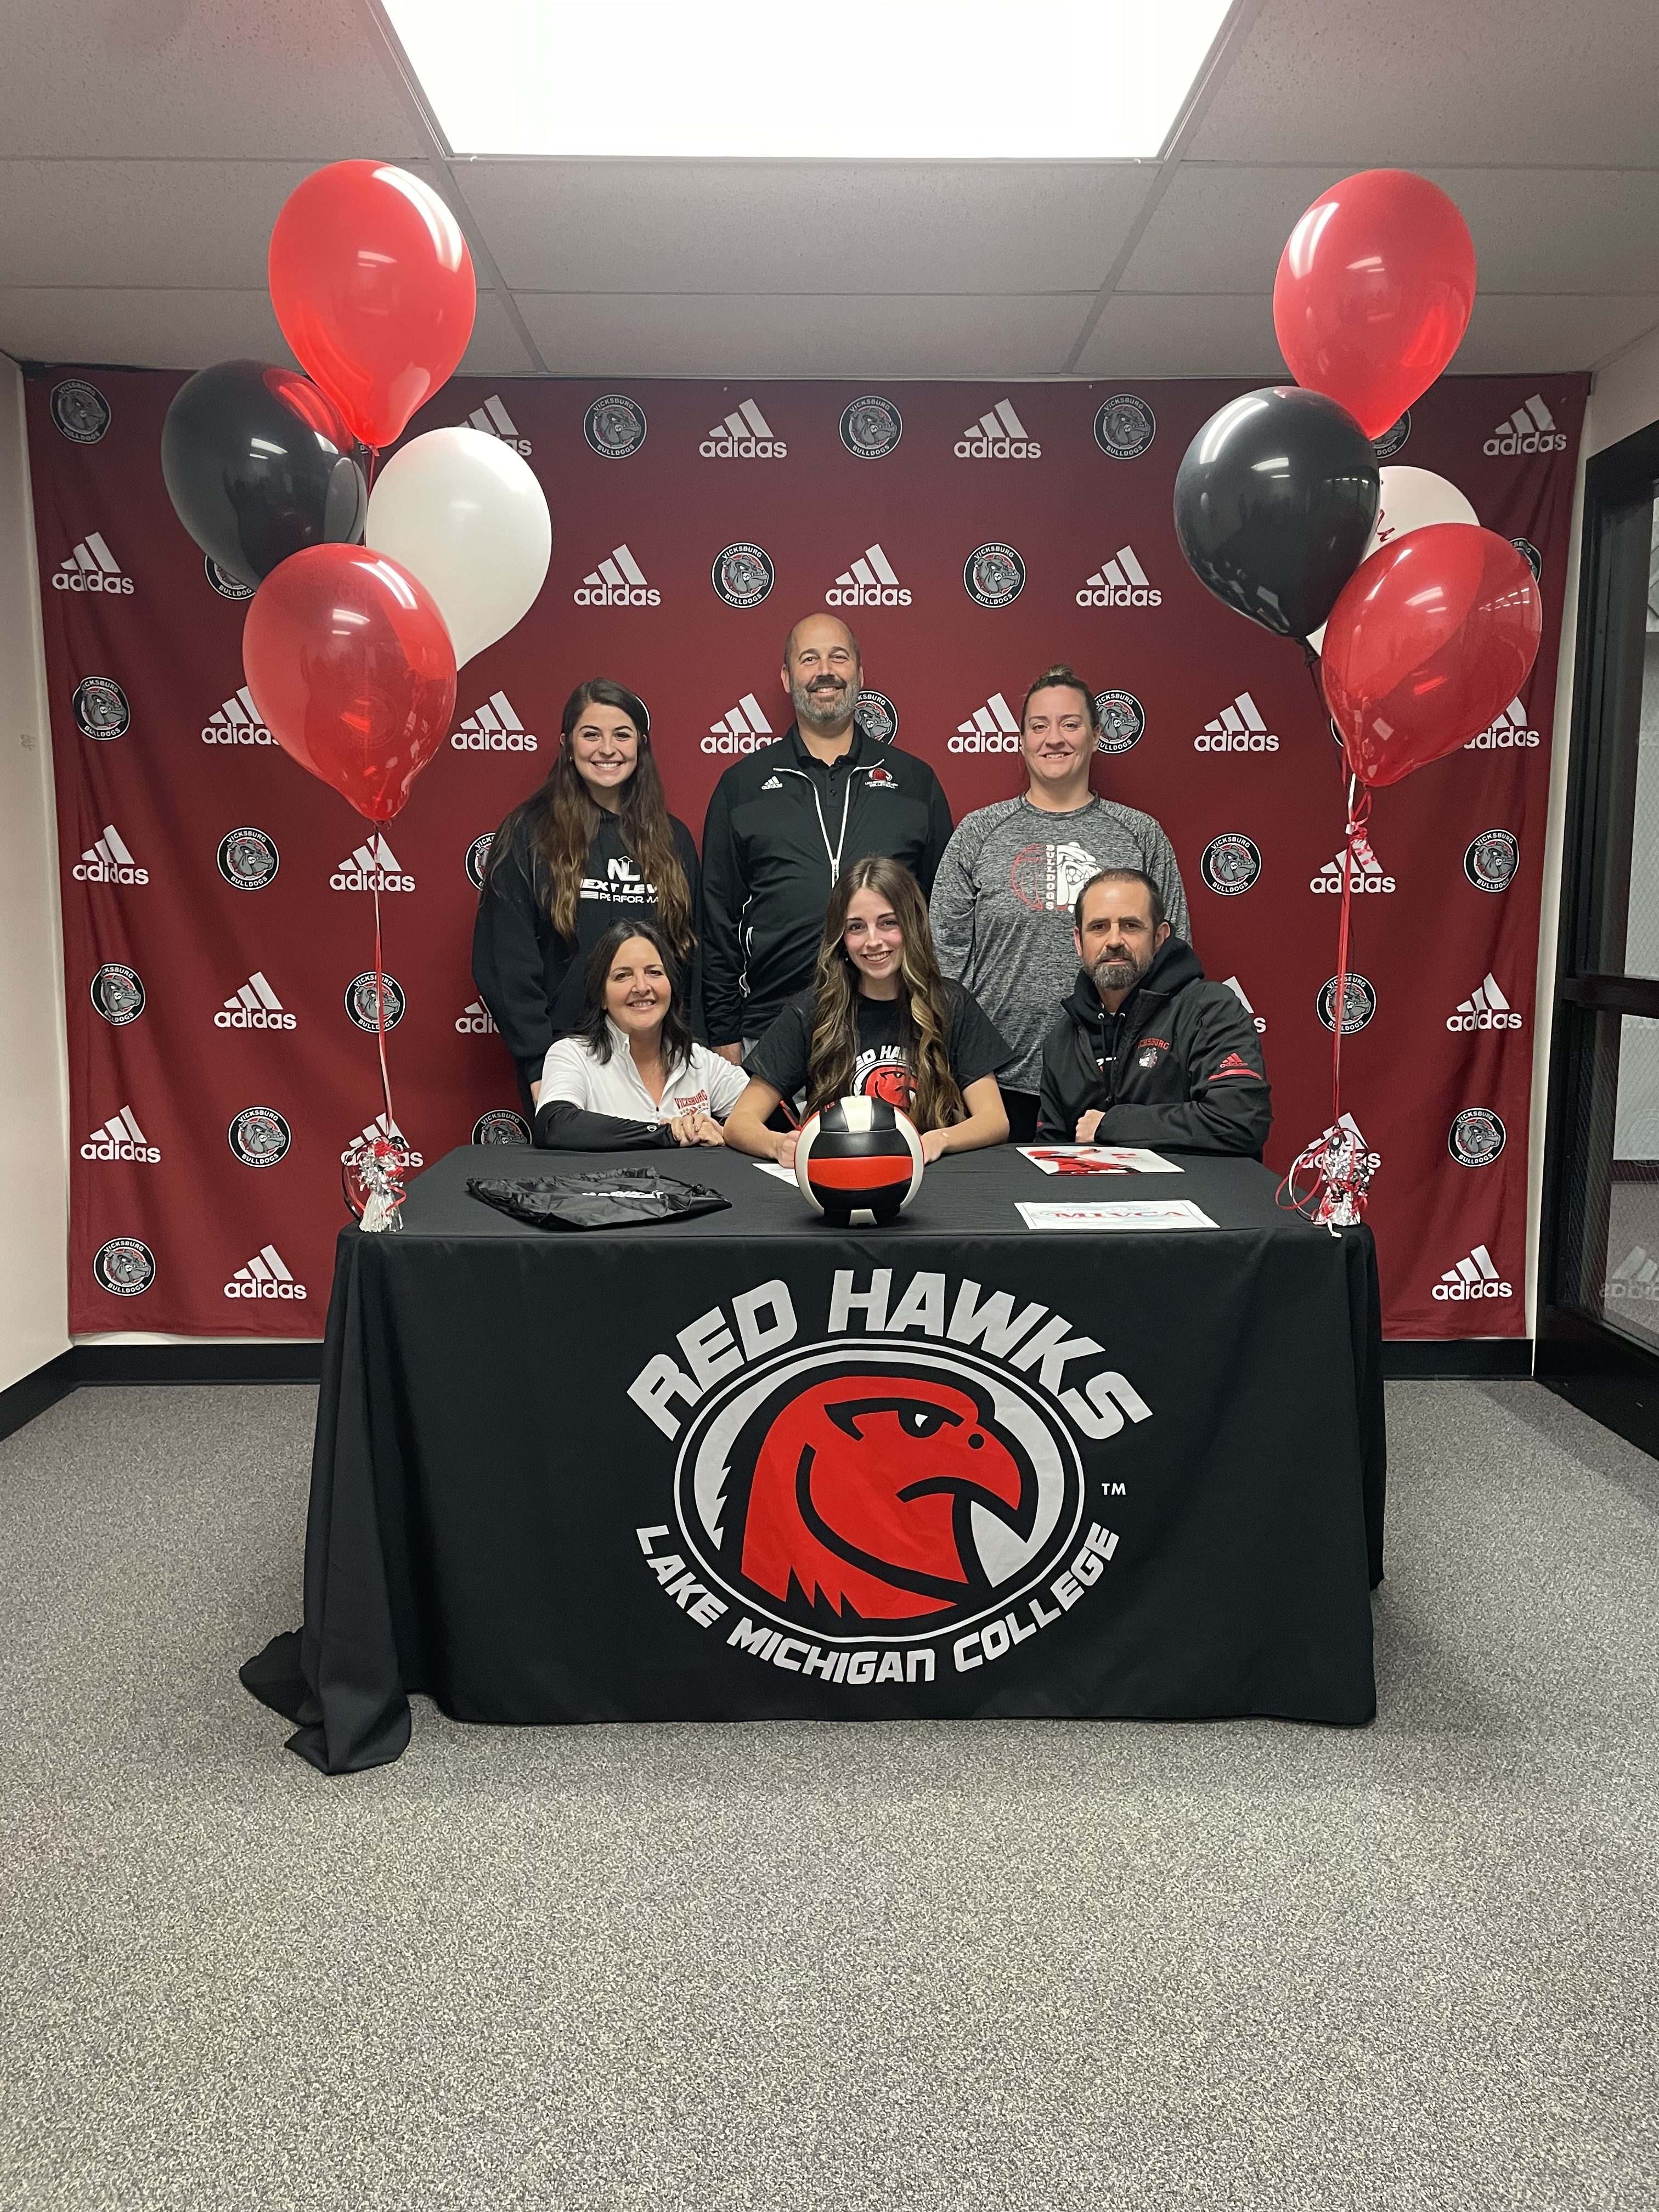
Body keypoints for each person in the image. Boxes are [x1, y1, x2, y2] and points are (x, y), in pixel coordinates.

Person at [930, 664, 1189, 1143]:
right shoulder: (978, 833)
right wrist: (960, 1063)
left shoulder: (1141, 835)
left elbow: (1172, 959)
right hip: (993, 1087)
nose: (1054, 739)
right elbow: (944, 960)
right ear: (1021, 741)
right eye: (1039, 726)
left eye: (1070, 724)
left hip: (1115, 1086)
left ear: (1096, 737)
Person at [701, 614, 954, 1063]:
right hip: (771, 1029)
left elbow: (943, 918)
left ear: (860, 673)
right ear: (786, 677)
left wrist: (936, 1018)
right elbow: (718, 921)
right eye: (809, 659)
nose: (825, 671)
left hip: (895, 1031)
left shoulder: (915, 783)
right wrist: (724, 1032)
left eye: (838, 657)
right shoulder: (742, 786)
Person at [473, 680, 700, 1115]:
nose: (607, 749)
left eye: (622, 735)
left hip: (659, 1064)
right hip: (566, 1062)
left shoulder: (673, 840)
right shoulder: (529, 834)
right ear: (567, 744)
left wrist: (692, 1058)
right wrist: (539, 1064)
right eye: (591, 734)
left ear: (642, 744)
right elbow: (504, 961)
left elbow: (692, 958)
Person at [725, 856, 1010, 1168]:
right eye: (856, 927)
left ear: (912, 925)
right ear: (841, 938)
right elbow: (739, 1123)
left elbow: (995, 1120)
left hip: (929, 1177)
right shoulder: (812, 1009)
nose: (873, 941)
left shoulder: (951, 1003)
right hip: (838, 1176)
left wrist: (939, 1140)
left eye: (888, 923)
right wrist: (777, 1144)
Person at [1036, 868, 1270, 1155]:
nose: (1114, 941)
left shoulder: (1209, 1009)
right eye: (1098, 927)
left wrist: (1112, 1125)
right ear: (1078, 941)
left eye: (1131, 926)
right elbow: (1049, 1152)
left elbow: (1240, 1121)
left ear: (1160, 937)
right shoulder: (1063, 1038)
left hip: (1194, 1184)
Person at [535, 923, 748, 1150]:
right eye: (623, 976)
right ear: (602, 997)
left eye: (654, 972)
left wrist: (721, 1131)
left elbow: (765, 1114)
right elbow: (554, 1125)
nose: (642, 986)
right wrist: (668, 1134)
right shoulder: (572, 1054)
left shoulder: (699, 1061)